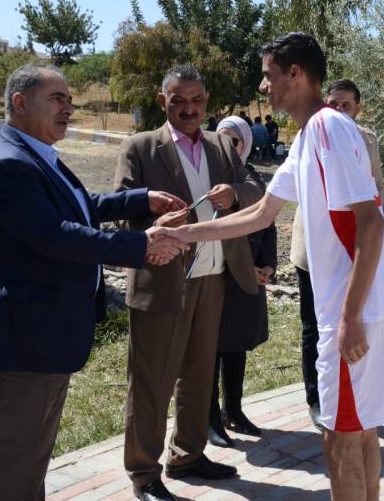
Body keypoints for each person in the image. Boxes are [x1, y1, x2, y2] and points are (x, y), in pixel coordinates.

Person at [163, 32, 384, 500]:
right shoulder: (313, 133)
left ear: (295, 74)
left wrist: (350, 316)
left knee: (339, 438)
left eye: (268, 75)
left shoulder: (328, 129)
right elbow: (260, 213)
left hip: (353, 307)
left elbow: (372, 225)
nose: (263, 86)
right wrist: (185, 233)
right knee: (359, 430)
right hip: (364, 303)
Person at [0, 65, 187, 501]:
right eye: (57, 99)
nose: (68, 108)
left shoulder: (33, 155)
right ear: (20, 103)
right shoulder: (7, 165)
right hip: (19, 348)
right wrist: (141, 244)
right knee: (5, 474)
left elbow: (79, 205)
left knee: (26, 467)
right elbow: (54, 235)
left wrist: (140, 199)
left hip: (40, 340)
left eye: (69, 99)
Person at [114, 66, 264, 500]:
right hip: (162, 281)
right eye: (178, 100)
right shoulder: (141, 147)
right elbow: (121, 214)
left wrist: (234, 193)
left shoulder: (221, 144)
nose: (188, 109)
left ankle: (187, 454)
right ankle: (143, 472)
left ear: (207, 101)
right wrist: (154, 224)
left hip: (212, 278)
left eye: (196, 100)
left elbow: (256, 188)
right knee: (151, 381)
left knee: (199, 375)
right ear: (162, 101)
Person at [290, 78, 384, 431]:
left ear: (358, 108)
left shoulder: (367, 139)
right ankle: (317, 398)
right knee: (313, 327)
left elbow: (374, 192)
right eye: (334, 103)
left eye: (346, 105)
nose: (339, 110)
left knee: (351, 325)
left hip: (355, 249)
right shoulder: (312, 132)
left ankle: (355, 398)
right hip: (315, 247)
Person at [208, 116, 277, 447]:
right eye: (221, 139)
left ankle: (233, 410)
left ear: (245, 143)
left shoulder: (251, 177)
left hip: (249, 278)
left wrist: (266, 265)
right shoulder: (209, 177)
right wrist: (245, 266)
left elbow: (267, 222)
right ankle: (209, 418)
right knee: (210, 350)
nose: (227, 147)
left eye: (233, 141)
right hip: (216, 276)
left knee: (237, 345)